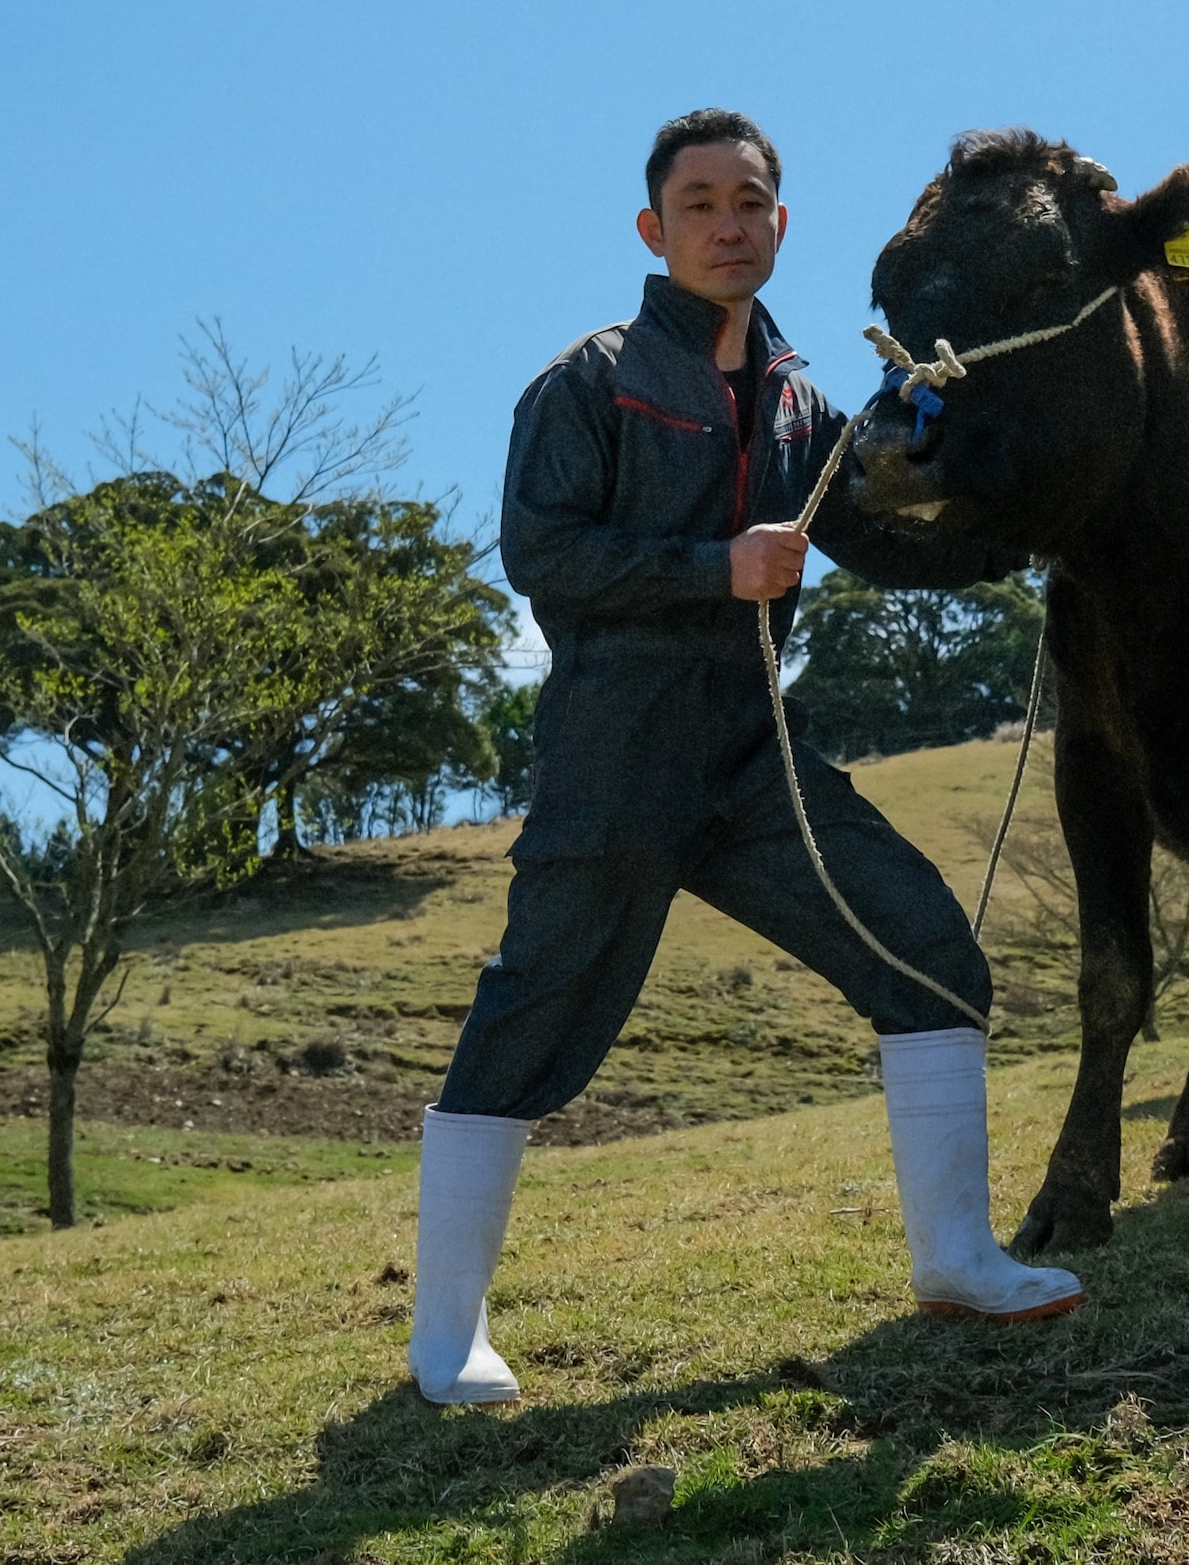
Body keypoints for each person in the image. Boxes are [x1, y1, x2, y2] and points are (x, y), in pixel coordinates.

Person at [408, 109, 1083, 1406]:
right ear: (655, 230)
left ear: (783, 224)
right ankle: (448, 1339)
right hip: (614, 763)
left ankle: (955, 1259)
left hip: (754, 760)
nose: (730, 223)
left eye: (752, 201)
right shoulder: (586, 381)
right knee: (530, 1018)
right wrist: (720, 568)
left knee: (926, 952)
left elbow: (884, 522)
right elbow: (543, 554)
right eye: (702, 202)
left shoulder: (805, 402)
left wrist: (965, 474)